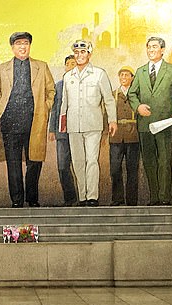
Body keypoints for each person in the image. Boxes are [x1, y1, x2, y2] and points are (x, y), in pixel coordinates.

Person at [0, 32, 55, 208]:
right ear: (12, 47)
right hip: (10, 123)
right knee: (13, 163)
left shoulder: (41, 66)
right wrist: (0, 106)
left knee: (35, 162)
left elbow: (51, 91)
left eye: (25, 43)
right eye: (18, 43)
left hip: (35, 122)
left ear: (30, 46)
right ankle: (17, 200)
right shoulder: (2, 69)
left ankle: (32, 199)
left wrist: (45, 107)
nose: (22, 46)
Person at [128, 36, 172, 206]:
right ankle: (154, 197)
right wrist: (138, 107)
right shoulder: (140, 71)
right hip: (145, 125)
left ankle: (164, 198)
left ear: (162, 50)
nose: (151, 50)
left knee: (164, 160)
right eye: (148, 47)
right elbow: (132, 94)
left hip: (165, 123)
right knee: (149, 161)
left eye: (154, 47)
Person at [60, 40, 117, 207]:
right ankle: (83, 196)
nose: (79, 55)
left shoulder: (99, 74)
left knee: (92, 160)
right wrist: (62, 122)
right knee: (78, 161)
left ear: (89, 54)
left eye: (83, 52)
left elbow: (108, 100)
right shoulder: (68, 76)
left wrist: (112, 120)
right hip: (73, 125)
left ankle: (92, 196)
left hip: (93, 124)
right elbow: (65, 102)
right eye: (76, 52)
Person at [48, 55, 78, 206]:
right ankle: (70, 198)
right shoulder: (58, 86)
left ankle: (84, 198)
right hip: (62, 132)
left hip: (80, 132)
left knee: (80, 165)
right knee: (62, 166)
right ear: (65, 67)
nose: (71, 66)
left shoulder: (83, 84)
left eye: (74, 63)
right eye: (68, 64)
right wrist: (52, 129)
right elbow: (54, 109)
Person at [109, 66, 140, 206]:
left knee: (132, 170)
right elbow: (106, 114)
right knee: (115, 169)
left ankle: (132, 200)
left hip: (133, 137)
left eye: (127, 75)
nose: (124, 77)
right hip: (116, 137)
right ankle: (118, 199)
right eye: (121, 75)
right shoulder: (113, 94)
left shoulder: (137, 96)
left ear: (132, 77)